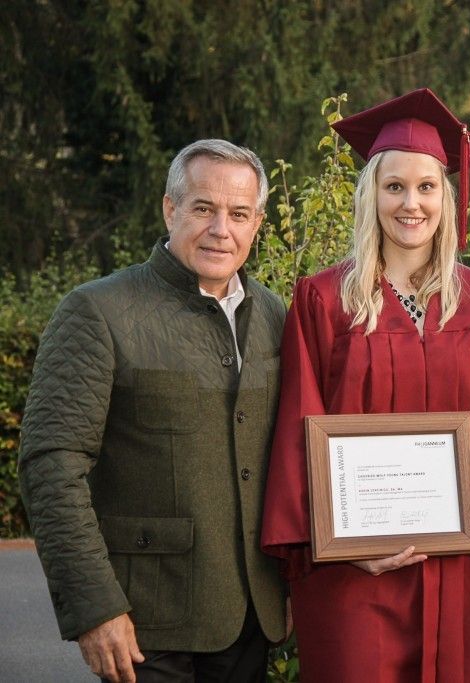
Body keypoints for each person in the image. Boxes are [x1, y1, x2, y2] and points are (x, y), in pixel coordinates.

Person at [259, 88, 470, 683]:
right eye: (394, 186)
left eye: (426, 186)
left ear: (447, 195)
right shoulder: (323, 301)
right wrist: (336, 542)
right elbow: (297, 430)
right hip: (355, 572)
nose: (410, 203)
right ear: (371, 197)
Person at [19, 139, 288, 682]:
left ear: (257, 223)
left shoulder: (275, 316)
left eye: (238, 214)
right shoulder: (97, 311)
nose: (221, 229)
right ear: (170, 209)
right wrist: (95, 606)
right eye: (203, 209)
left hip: (252, 622)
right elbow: (51, 465)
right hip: (146, 627)